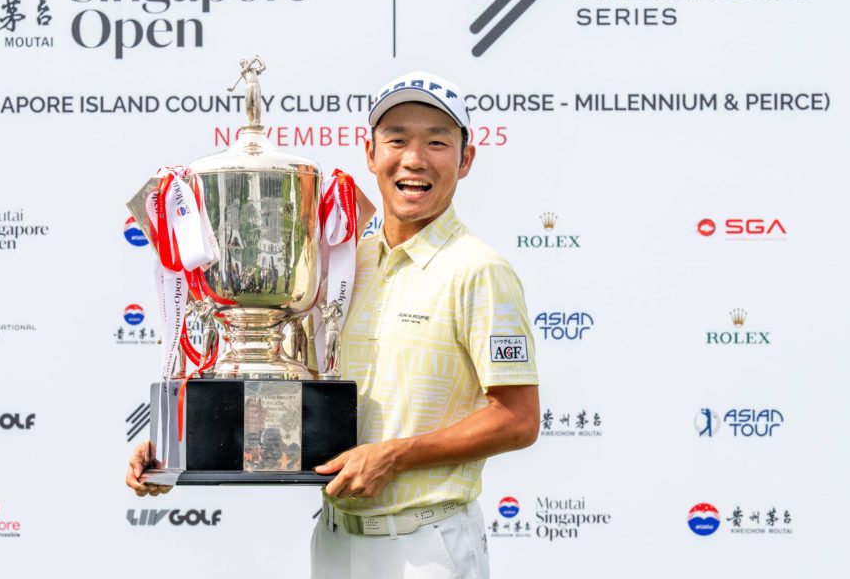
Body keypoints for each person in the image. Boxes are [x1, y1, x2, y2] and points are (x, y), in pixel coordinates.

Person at [126, 71, 540, 579]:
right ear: (371, 154)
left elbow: (518, 419)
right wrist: (183, 445)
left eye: (437, 142)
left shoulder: (478, 269)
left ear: (466, 159)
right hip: (335, 540)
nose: (414, 159)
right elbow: (290, 389)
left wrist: (394, 456)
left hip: (425, 545)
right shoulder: (343, 262)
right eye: (397, 140)